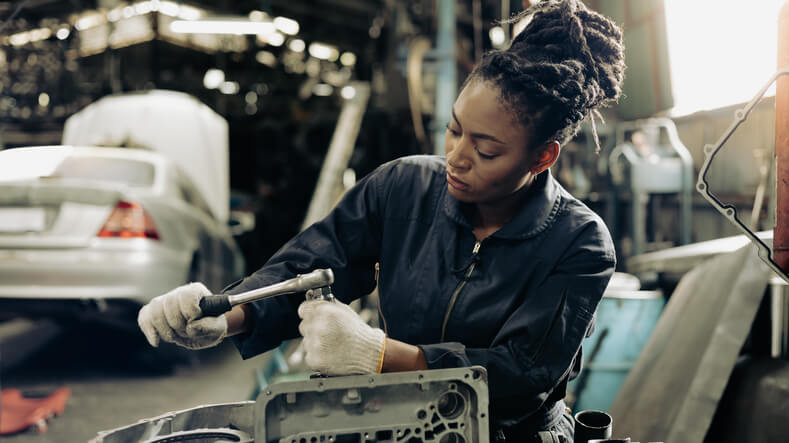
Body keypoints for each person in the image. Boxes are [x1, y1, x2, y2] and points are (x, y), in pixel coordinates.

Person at [137, 0, 625, 440]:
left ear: (542, 157)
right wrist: (229, 315)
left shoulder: (579, 243)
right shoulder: (403, 188)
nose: (456, 156)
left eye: (486, 149)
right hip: (399, 425)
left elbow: (522, 377)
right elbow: (312, 264)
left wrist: (379, 355)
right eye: (455, 130)